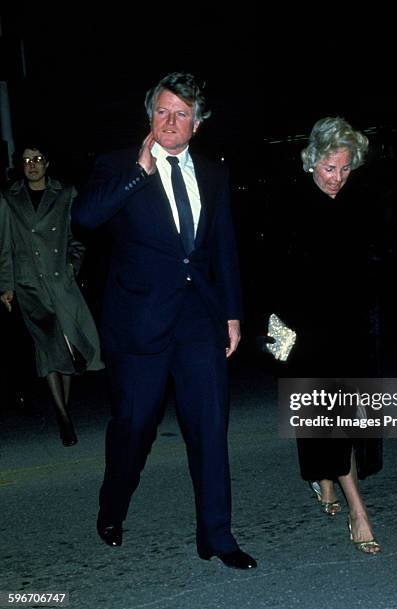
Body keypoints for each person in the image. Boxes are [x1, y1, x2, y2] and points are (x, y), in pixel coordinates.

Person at [72, 71, 256, 570]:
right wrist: (139, 170)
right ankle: (112, 508)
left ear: (198, 123)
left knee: (210, 426)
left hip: (199, 321)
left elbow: (224, 250)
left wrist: (233, 315)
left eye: (182, 114)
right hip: (138, 325)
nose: (171, 122)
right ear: (149, 116)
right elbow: (85, 218)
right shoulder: (117, 165)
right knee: (134, 426)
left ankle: (216, 536)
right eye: (163, 112)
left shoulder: (214, 174)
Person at [268, 117, 381, 554]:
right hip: (306, 330)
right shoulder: (288, 202)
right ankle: (360, 511)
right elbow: (272, 270)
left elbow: (373, 260)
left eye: (345, 169)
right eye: (329, 168)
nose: (336, 179)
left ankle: (325, 480)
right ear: (312, 160)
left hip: (350, 326)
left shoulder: (359, 201)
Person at [0, 144, 104, 445]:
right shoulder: (10, 198)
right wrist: (6, 285)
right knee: (48, 346)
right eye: (26, 161)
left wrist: (72, 264)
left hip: (61, 280)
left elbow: (78, 236)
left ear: (47, 162)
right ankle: (62, 416)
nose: (32, 165)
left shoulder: (66, 193)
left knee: (67, 345)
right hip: (29, 284)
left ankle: (64, 410)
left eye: (37, 159)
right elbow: (4, 246)